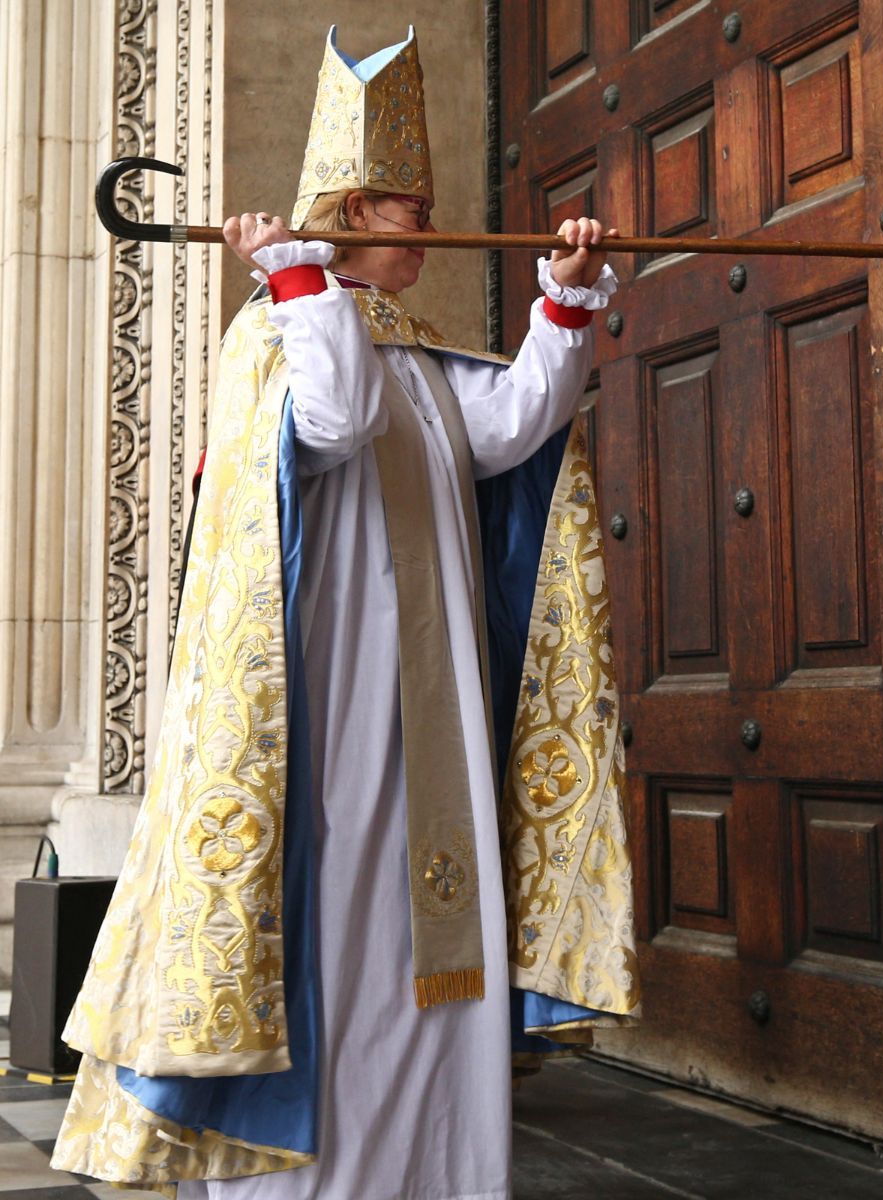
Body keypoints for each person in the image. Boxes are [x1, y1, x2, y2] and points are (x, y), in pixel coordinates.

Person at [52, 25, 639, 1198]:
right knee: (348, 923)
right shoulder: (277, 334)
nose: (427, 225)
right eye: (408, 208)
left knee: (434, 941)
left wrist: (565, 303)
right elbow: (335, 420)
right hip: (336, 706)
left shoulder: (409, 351)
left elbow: (512, 425)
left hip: (434, 715)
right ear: (354, 208)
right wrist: (294, 282)